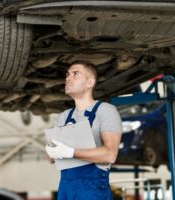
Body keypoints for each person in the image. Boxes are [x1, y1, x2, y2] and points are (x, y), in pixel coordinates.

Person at [45, 60, 122, 200]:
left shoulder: (106, 111)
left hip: (92, 188)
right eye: (67, 74)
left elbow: (110, 154)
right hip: (66, 187)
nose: (68, 78)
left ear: (90, 83)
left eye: (75, 74)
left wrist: (71, 152)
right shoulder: (63, 117)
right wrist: (51, 152)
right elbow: (51, 159)